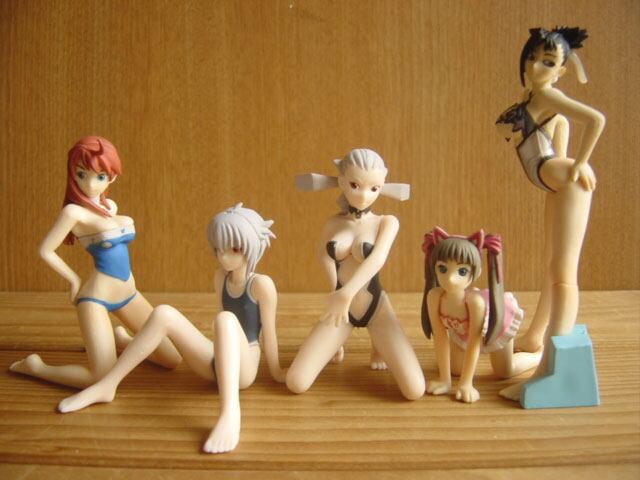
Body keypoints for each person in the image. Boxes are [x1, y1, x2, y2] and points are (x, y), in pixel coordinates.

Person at [57, 204, 287, 454]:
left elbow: (268, 334)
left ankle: (230, 414)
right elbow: (222, 330)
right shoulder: (220, 277)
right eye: (218, 249)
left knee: (225, 320)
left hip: (244, 369)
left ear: (250, 246)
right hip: (216, 361)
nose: (223, 257)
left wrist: (277, 372)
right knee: (164, 312)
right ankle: (108, 385)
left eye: (232, 249)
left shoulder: (261, 285)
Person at [10, 136, 181, 388]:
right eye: (82, 174)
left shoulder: (110, 206)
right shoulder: (73, 213)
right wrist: (73, 280)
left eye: (100, 176)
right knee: (101, 378)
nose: (90, 184)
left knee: (172, 359)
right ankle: (36, 368)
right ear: (72, 173)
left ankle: (123, 342)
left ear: (112, 177)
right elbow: (45, 250)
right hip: (97, 298)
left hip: (129, 292)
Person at [495, 27, 605, 400]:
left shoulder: (549, 95)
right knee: (550, 263)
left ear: (560, 71)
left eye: (548, 62)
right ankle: (534, 339)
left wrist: (580, 165)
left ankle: (549, 370)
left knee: (562, 271)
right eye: (532, 58)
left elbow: (596, 120)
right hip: (553, 184)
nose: (535, 67)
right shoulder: (539, 103)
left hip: (565, 182)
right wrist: (567, 163)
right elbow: (559, 134)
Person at [286, 148, 425, 400]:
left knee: (414, 390)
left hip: (376, 308)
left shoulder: (386, 222)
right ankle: (338, 342)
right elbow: (322, 254)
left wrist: (347, 292)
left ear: (382, 186)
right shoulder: (333, 223)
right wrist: (335, 290)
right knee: (296, 382)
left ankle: (379, 345)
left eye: (374, 188)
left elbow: (377, 259)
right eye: (354, 185)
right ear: (341, 182)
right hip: (340, 311)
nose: (363, 195)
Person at [421, 227, 541, 403]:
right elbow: (440, 338)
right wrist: (445, 380)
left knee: (504, 371)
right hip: (461, 333)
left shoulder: (475, 303)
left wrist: (466, 384)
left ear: (474, 273)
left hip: (496, 327)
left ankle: (538, 356)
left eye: (462, 271)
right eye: (443, 269)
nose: (451, 278)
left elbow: (473, 343)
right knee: (456, 369)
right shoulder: (434, 297)